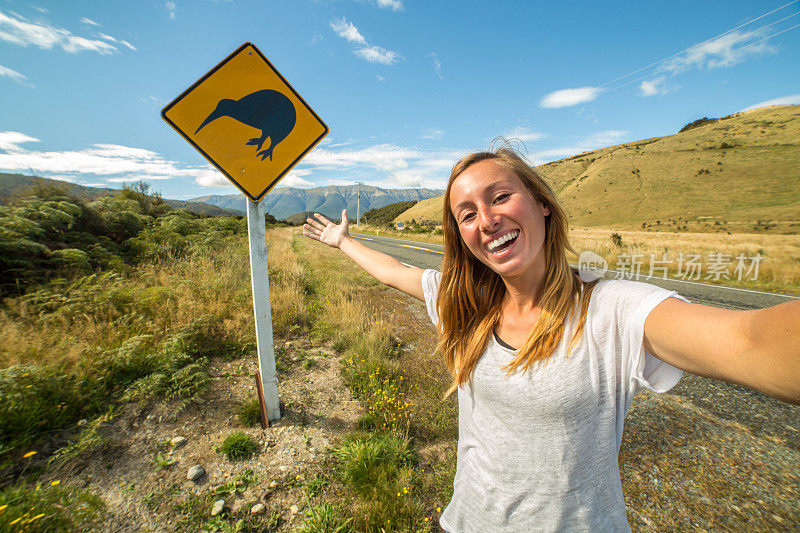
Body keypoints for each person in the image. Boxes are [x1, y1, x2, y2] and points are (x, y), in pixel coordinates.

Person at [302, 147, 800, 532]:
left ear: (542, 205)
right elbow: (396, 272)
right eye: (467, 213)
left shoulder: (612, 309)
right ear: (461, 236)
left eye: (499, 197)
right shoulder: (464, 306)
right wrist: (342, 241)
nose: (487, 219)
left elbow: (751, 341)